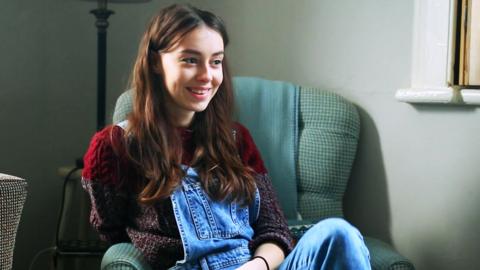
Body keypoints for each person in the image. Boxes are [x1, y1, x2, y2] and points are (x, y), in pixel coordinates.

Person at [82, 4, 371, 270]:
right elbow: (112, 232)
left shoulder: (236, 140)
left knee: (339, 233)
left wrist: (256, 265)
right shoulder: (114, 146)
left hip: (255, 266)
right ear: (155, 62)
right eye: (190, 60)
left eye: (216, 61)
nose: (207, 76)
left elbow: (274, 230)